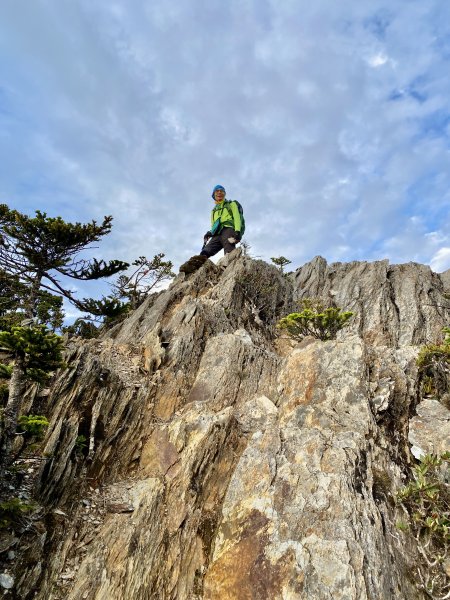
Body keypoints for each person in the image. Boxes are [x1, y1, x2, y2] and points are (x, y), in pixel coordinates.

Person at [179, 185, 243, 274]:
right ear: (214, 195)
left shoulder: (231, 204)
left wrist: (237, 231)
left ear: (224, 194)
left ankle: (230, 272)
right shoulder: (213, 211)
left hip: (228, 229)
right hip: (217, 233)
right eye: (217, 191)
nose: (219, 192)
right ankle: (194, 267)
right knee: (206, 251)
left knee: (229, 250)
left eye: (221, 191)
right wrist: (210, 232)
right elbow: (214, 225)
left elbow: (237, 218)